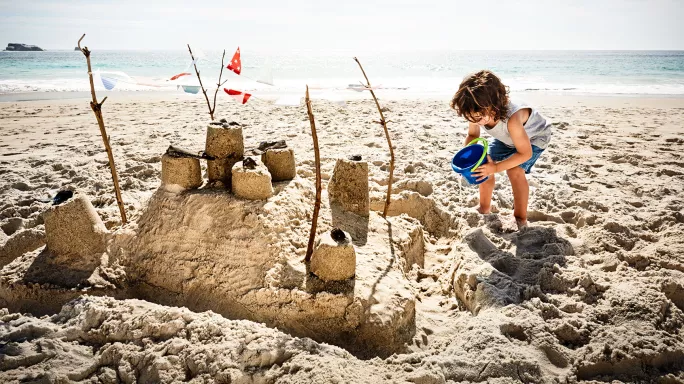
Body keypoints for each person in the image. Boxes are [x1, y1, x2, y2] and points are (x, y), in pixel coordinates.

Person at [450, 70, 552, 229]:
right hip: (507, 139)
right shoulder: (476, 112)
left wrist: (496, 167)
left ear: (494, 106)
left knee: (514, 170)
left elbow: (525, 153)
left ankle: (520, 218)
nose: (475, 121)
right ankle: (484, 208)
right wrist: (471, 158)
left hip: (534, 137)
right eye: (471, 118)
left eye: (478, 118)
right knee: (484, 165)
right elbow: (472, 135)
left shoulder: (512, 119)